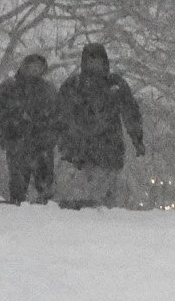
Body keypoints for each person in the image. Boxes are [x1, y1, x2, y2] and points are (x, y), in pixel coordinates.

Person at [54, 42, 143, 208]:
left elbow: (131, 112)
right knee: (81, 201)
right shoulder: (73, 85)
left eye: (98, 60)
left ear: (105, 62)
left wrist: (137, 138)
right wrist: (65, 145)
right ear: (84, 62)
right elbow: (61, 118)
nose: (94, 64)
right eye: (90, 60)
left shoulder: (115, 84)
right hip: (80, 152)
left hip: (109, 149)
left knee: (105, 201)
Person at [0, 53, 59, 204]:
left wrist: (51, 135)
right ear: (24, 66)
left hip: (42, 146)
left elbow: (59, 116)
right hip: (17, 144)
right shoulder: (7, 88)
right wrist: (8, 131)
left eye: (38, 67)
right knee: (18, 186)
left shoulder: (48, 90)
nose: (35, 70)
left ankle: (47, 217)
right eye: (31, 66)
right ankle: (17, 216)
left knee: (45, 188)